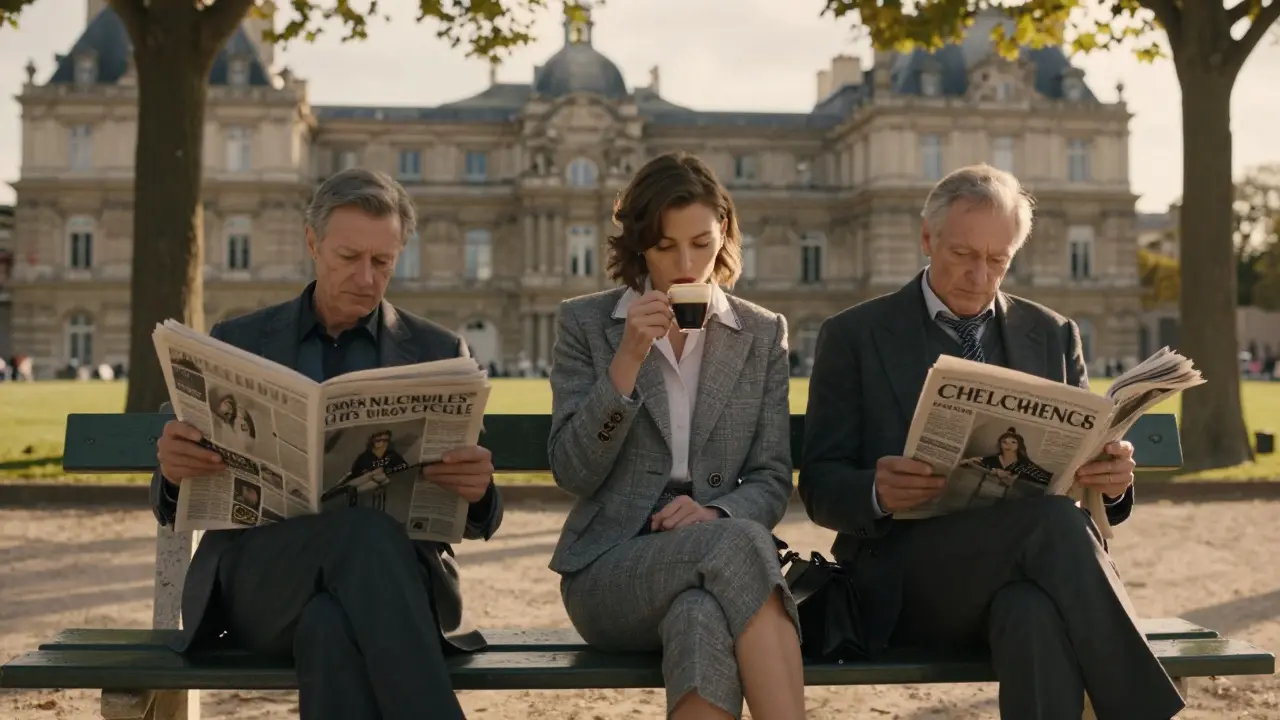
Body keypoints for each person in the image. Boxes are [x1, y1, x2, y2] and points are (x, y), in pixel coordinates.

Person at [798, 164, 1187, 720]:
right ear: (928, 238)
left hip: (1025, 568)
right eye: (962, 254)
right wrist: (877, 491)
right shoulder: (854, 335)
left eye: (997, 260)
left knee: (1031, 612)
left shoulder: (1052, 333)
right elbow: (819, 484)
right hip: (906, 579)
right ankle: (1145, 712)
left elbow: (1081, 462)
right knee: (1053, 524)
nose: (979, 276)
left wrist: (1112, 479)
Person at [149, 168, 504, 720]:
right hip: (265, 586)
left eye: (382, 262)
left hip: (393, 587)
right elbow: (167, 499)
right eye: (349, 258)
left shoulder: (437, 351)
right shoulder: (238, 342)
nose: (366, 277)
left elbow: (480, 515)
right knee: (358, 536)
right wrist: (172, 471)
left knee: (330, 626)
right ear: (312, 242)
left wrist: (479, 492)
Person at [546, 152, 806, 720]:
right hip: (608, 571)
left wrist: (714, 513)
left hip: (712, 565)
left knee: (701, 615)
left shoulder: (761, 333)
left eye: (702, 243)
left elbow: (768, 479)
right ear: (639, 245)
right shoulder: (586, 325)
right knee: (742, 543)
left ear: (726, 235)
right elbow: (573, 471)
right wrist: (627, 361)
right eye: (666, 247)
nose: (687, 264)